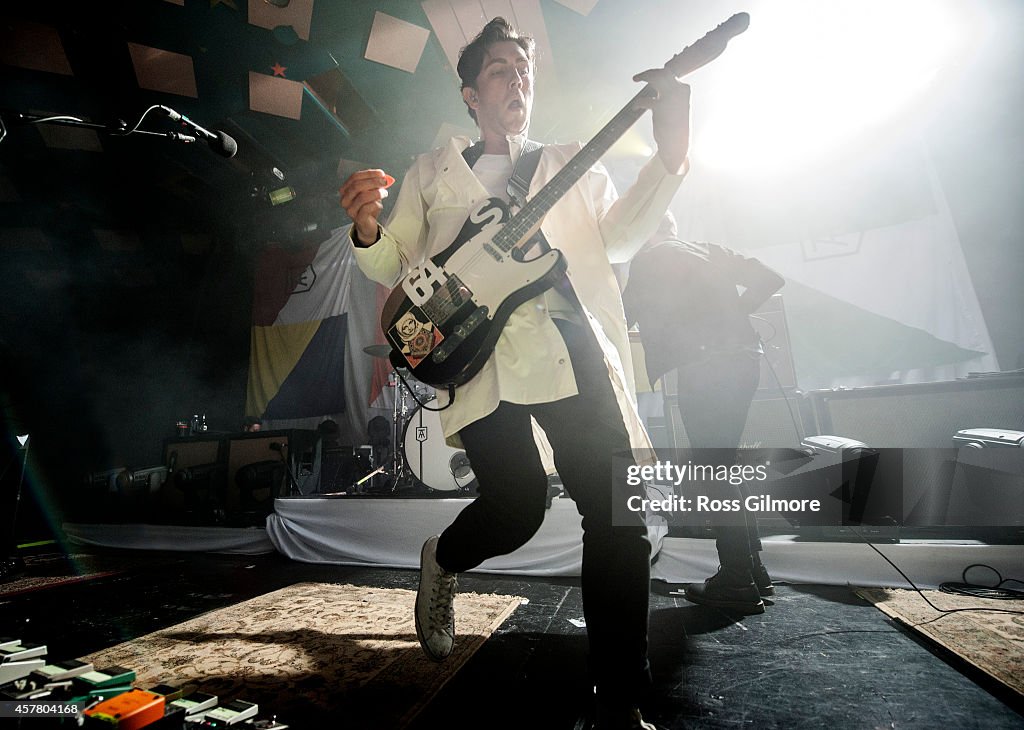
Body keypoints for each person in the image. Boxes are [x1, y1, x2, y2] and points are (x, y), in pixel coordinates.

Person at [340, 17, 689, 728]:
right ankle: (444, 557)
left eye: (522, 70)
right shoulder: (431, 171)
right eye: (500, 69)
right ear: (470, 93)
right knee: (519, 506)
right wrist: (369, 230)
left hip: (568, 346)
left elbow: (619, 237)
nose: (516, 79)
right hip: (478, 353)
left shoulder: (569, 162)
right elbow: (393, 262)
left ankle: (618, 700)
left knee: (616, 517)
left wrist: (670, 154)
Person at [622, 212, 785, 615]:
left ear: (644, 234)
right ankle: (752, 570)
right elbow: (771, 277)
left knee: (713, 473)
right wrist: (729, 319)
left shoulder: (647, 260)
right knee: (724, 468)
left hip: (706, 371)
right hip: (745, 361)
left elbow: (622, 319)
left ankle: (736, 581)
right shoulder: (709, 250)